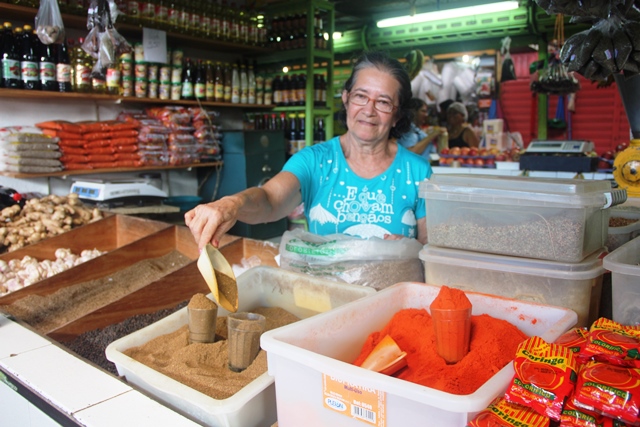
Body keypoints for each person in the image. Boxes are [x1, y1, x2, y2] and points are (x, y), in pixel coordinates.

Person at [185, 51, 433, 248]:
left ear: (398, 114)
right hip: (327, 299)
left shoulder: (417, 172)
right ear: (346, 99)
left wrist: (411, 250)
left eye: (383, 102)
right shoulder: (315, 161)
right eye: (361, 96)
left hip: (393, 303)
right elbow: (270, 199)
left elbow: (431, 249)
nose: (369, 110)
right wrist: (231, 204)